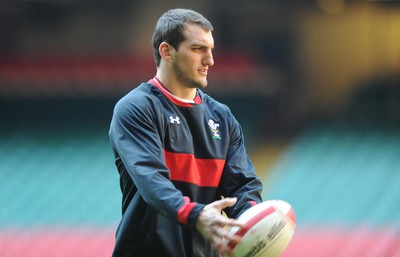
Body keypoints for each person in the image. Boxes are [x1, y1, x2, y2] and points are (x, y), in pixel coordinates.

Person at [109, 8, 263, 257]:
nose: (210, 60)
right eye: (198, 49)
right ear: (167, 51)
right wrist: (197, 214)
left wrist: (253, 223)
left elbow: (243, 186)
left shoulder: (223, 117)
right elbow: (152, 181)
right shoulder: (136, 108)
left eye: (211, 49)